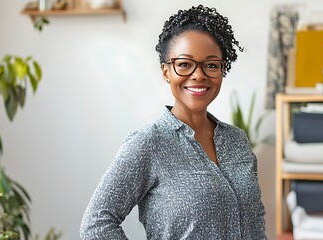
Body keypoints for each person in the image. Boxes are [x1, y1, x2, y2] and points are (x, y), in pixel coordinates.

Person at [80, 5, 267, 240]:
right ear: (166, 71)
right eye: (185, 64)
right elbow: (96, 224)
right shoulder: (148, 144)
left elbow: (256, 222)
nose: (199, 75)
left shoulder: (237, 140)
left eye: (211, 65)